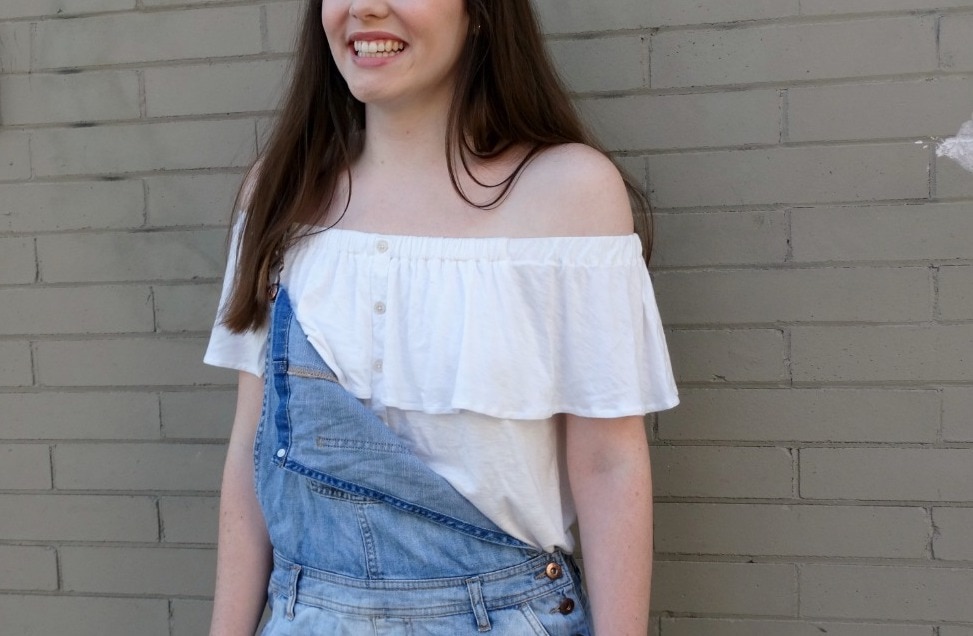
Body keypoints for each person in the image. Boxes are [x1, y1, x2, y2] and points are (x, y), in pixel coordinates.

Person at [203, 0, 679, 633]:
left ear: (480, 12)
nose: (365, 8)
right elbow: (251, 450)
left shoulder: (568, 194)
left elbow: (608, 463)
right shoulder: (281, 195)